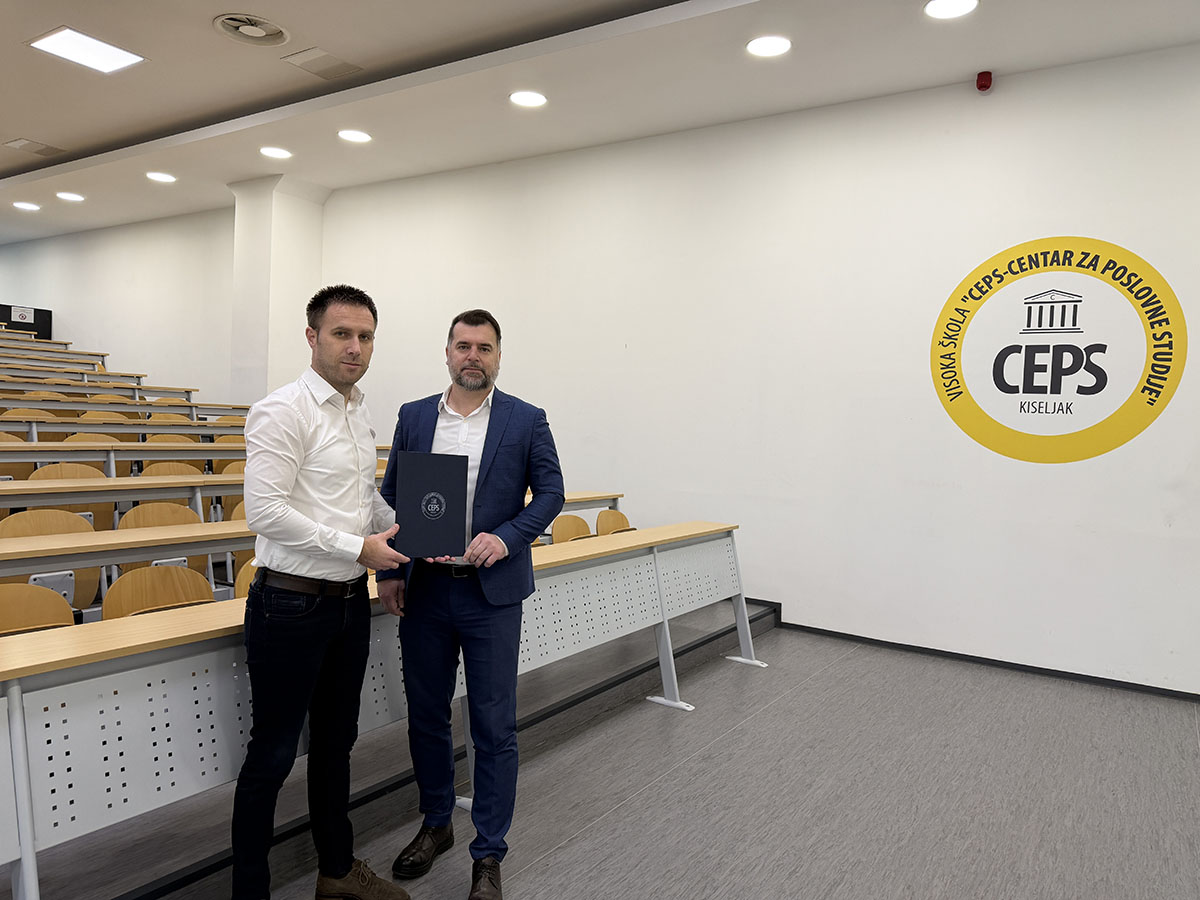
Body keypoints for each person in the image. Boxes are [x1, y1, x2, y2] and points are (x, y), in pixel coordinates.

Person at [231, 284, 412, 900]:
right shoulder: (283, 410)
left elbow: (362, 503)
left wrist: (415, 531)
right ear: (312, 337)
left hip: (347, 604)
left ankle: (336, 872)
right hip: (289, 604)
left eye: (365, 337)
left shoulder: (357, 411)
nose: (355, 347)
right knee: (273, 756)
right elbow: (265, 512)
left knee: (336, 746)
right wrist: (359, 549)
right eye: (342, 334)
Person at [378, 309, 564, 900]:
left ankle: (489, 852)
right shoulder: (414, 416)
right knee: (427, 715)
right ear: (448, 352)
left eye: (484, 347)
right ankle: (437, 824)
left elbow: (551, 493)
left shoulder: (525, 418)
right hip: (427, 590)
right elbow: (391, 496)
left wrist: (508, 537)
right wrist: (392, 570)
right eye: (463, 346)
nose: (473, 356)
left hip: (491, 595)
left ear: (498, 356)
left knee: (494, 725)